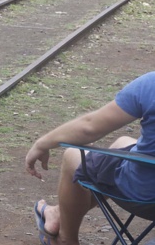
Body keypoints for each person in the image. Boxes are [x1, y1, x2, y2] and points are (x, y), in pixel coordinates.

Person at [25, 72, 155, 245]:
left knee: (73, 155)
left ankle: (66, 239)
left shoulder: (151, 84)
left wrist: (41, 144)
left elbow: (89, 127)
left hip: (144, 196)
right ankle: (57, 213)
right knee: (123, 142)